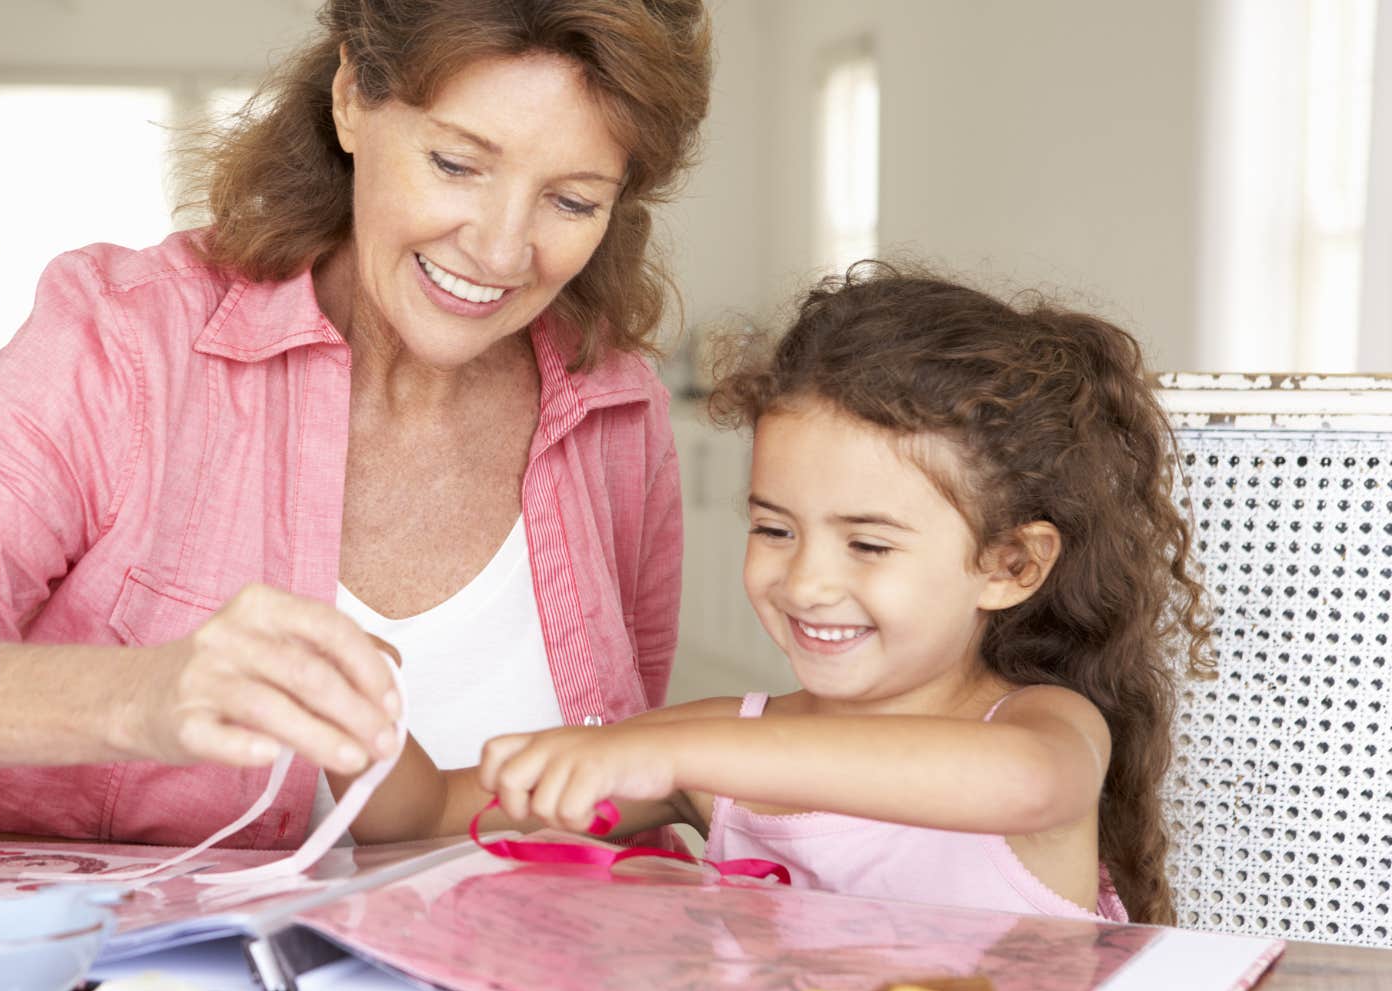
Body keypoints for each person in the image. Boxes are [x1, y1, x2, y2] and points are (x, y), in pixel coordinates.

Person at [0, 0, 714, 844]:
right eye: (457, 164)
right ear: (352, 102)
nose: (503, 250)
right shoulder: (126, 342)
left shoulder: (615, 409)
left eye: (573, 201)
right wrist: (138, 700)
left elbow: (606, 789)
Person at [345, 264, 1215, 924]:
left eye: (868, 543)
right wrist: (354, 720)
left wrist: (677, 759)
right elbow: (423, 815)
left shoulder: (1039, 732)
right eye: (774, 529)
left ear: (1010, 566)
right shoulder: (721, 745)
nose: (805, 581)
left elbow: (1025, 785)